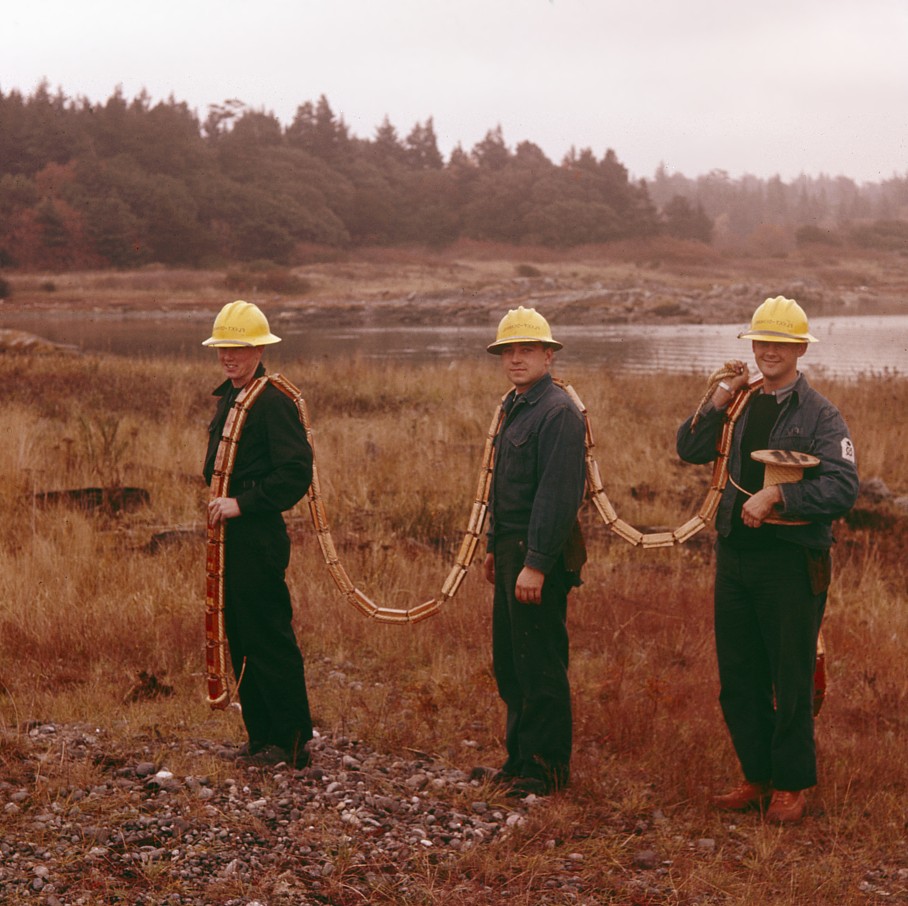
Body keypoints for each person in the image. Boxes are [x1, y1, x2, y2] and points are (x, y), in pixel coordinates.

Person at [677, 296, 859, 824]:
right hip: (735, 556)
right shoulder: (738, 404)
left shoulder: (822, 414)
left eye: (780, 343)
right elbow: (689, 448)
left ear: (800, 348)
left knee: (791, 674)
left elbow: (843, 488)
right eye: (761, 342)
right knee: (739, 675)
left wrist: (780, 497)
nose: (769, 351)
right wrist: (716, 398)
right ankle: (757, 777)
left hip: (791, 562)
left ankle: (792, 785)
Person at [202, 300, 315, 769]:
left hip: (257, 532)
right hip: (230, 537)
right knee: (240, 632)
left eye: (240, 348)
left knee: (267, 632)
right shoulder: (231, 395)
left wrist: (243, 503)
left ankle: (290, 741)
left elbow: (295, 474)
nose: (230, 357)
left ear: (259, 350)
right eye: (224, 348)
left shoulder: (273, 401)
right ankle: (262, 736)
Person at [481, 306, 587, 796]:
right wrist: (493, 550)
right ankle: (520, 760)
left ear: (549, 354)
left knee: (540, 662)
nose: (516, 359)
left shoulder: (558, 412)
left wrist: (536, 565)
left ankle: (546, 772)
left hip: (536, 554)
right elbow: (505, 489)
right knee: (512, 661)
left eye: (527, 350)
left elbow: (557, 495)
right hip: (510, 551)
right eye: (509, 350)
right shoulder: (516, 406)